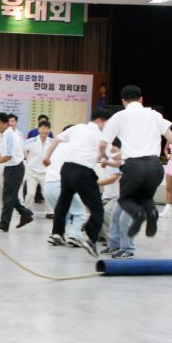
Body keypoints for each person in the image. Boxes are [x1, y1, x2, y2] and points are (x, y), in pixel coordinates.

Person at [98, 85, 172, 239]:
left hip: (133, 166)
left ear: (123, 101)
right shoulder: (154, 114)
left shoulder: (119, 116)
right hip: (155, 167)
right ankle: (151, 212)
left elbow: (103, 143)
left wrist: (102, 157)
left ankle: (133, 222)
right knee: (146, 198)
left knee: (125, 202)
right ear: (141, 99)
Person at [43, 109, 112, 258]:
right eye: (107, 123)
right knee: (97, 209)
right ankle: (91, 240)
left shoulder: (77, 128)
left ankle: (57, 232)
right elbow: (104, 152)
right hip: (83, 172)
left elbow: (55, 140)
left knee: (63, 202)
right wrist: (104, 158)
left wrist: (47, 157)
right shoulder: (101, 135)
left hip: (66, 169)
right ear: (100, 121)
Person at [0, 112, 33, 231]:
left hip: (15, 168)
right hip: (9, 168)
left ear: (6, 123)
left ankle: (5, 223)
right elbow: (4, 153)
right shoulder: (4, 135)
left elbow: (8, 156)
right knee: (10, 195)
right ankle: (25, 214)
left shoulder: (9, 135)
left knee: (8, 196)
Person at [22, 121, 52, 213]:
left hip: (45, 172)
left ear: (49, 130)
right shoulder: (32, 141)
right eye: (43, 128)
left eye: (47, 129)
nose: (45, 131)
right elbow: (20, 148)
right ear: (38, 129)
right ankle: (26, 211)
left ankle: (50, 212)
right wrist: (26, 157)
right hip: (31, 171)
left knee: (47, 193)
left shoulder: (52, 142)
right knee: (30, 193)